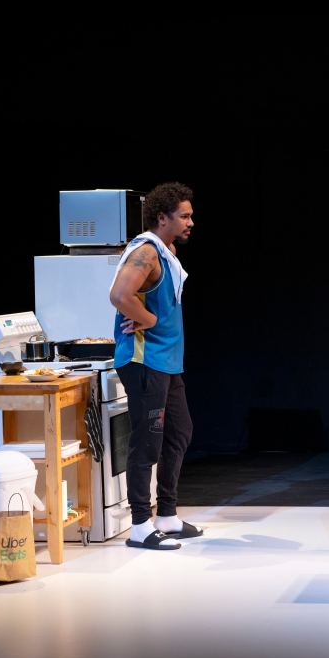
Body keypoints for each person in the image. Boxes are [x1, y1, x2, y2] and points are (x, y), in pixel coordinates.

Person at [109, 182, 201, 551]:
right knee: (147, 442)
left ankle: (166, 515)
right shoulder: (147, 253)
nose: (191, 222)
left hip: (166, 362)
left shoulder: (167, 251)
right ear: (162, 218)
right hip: (144, 361)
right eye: (184, 216)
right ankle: (139, 526)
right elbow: (119, 295)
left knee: (179, 432)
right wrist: (147, 319)